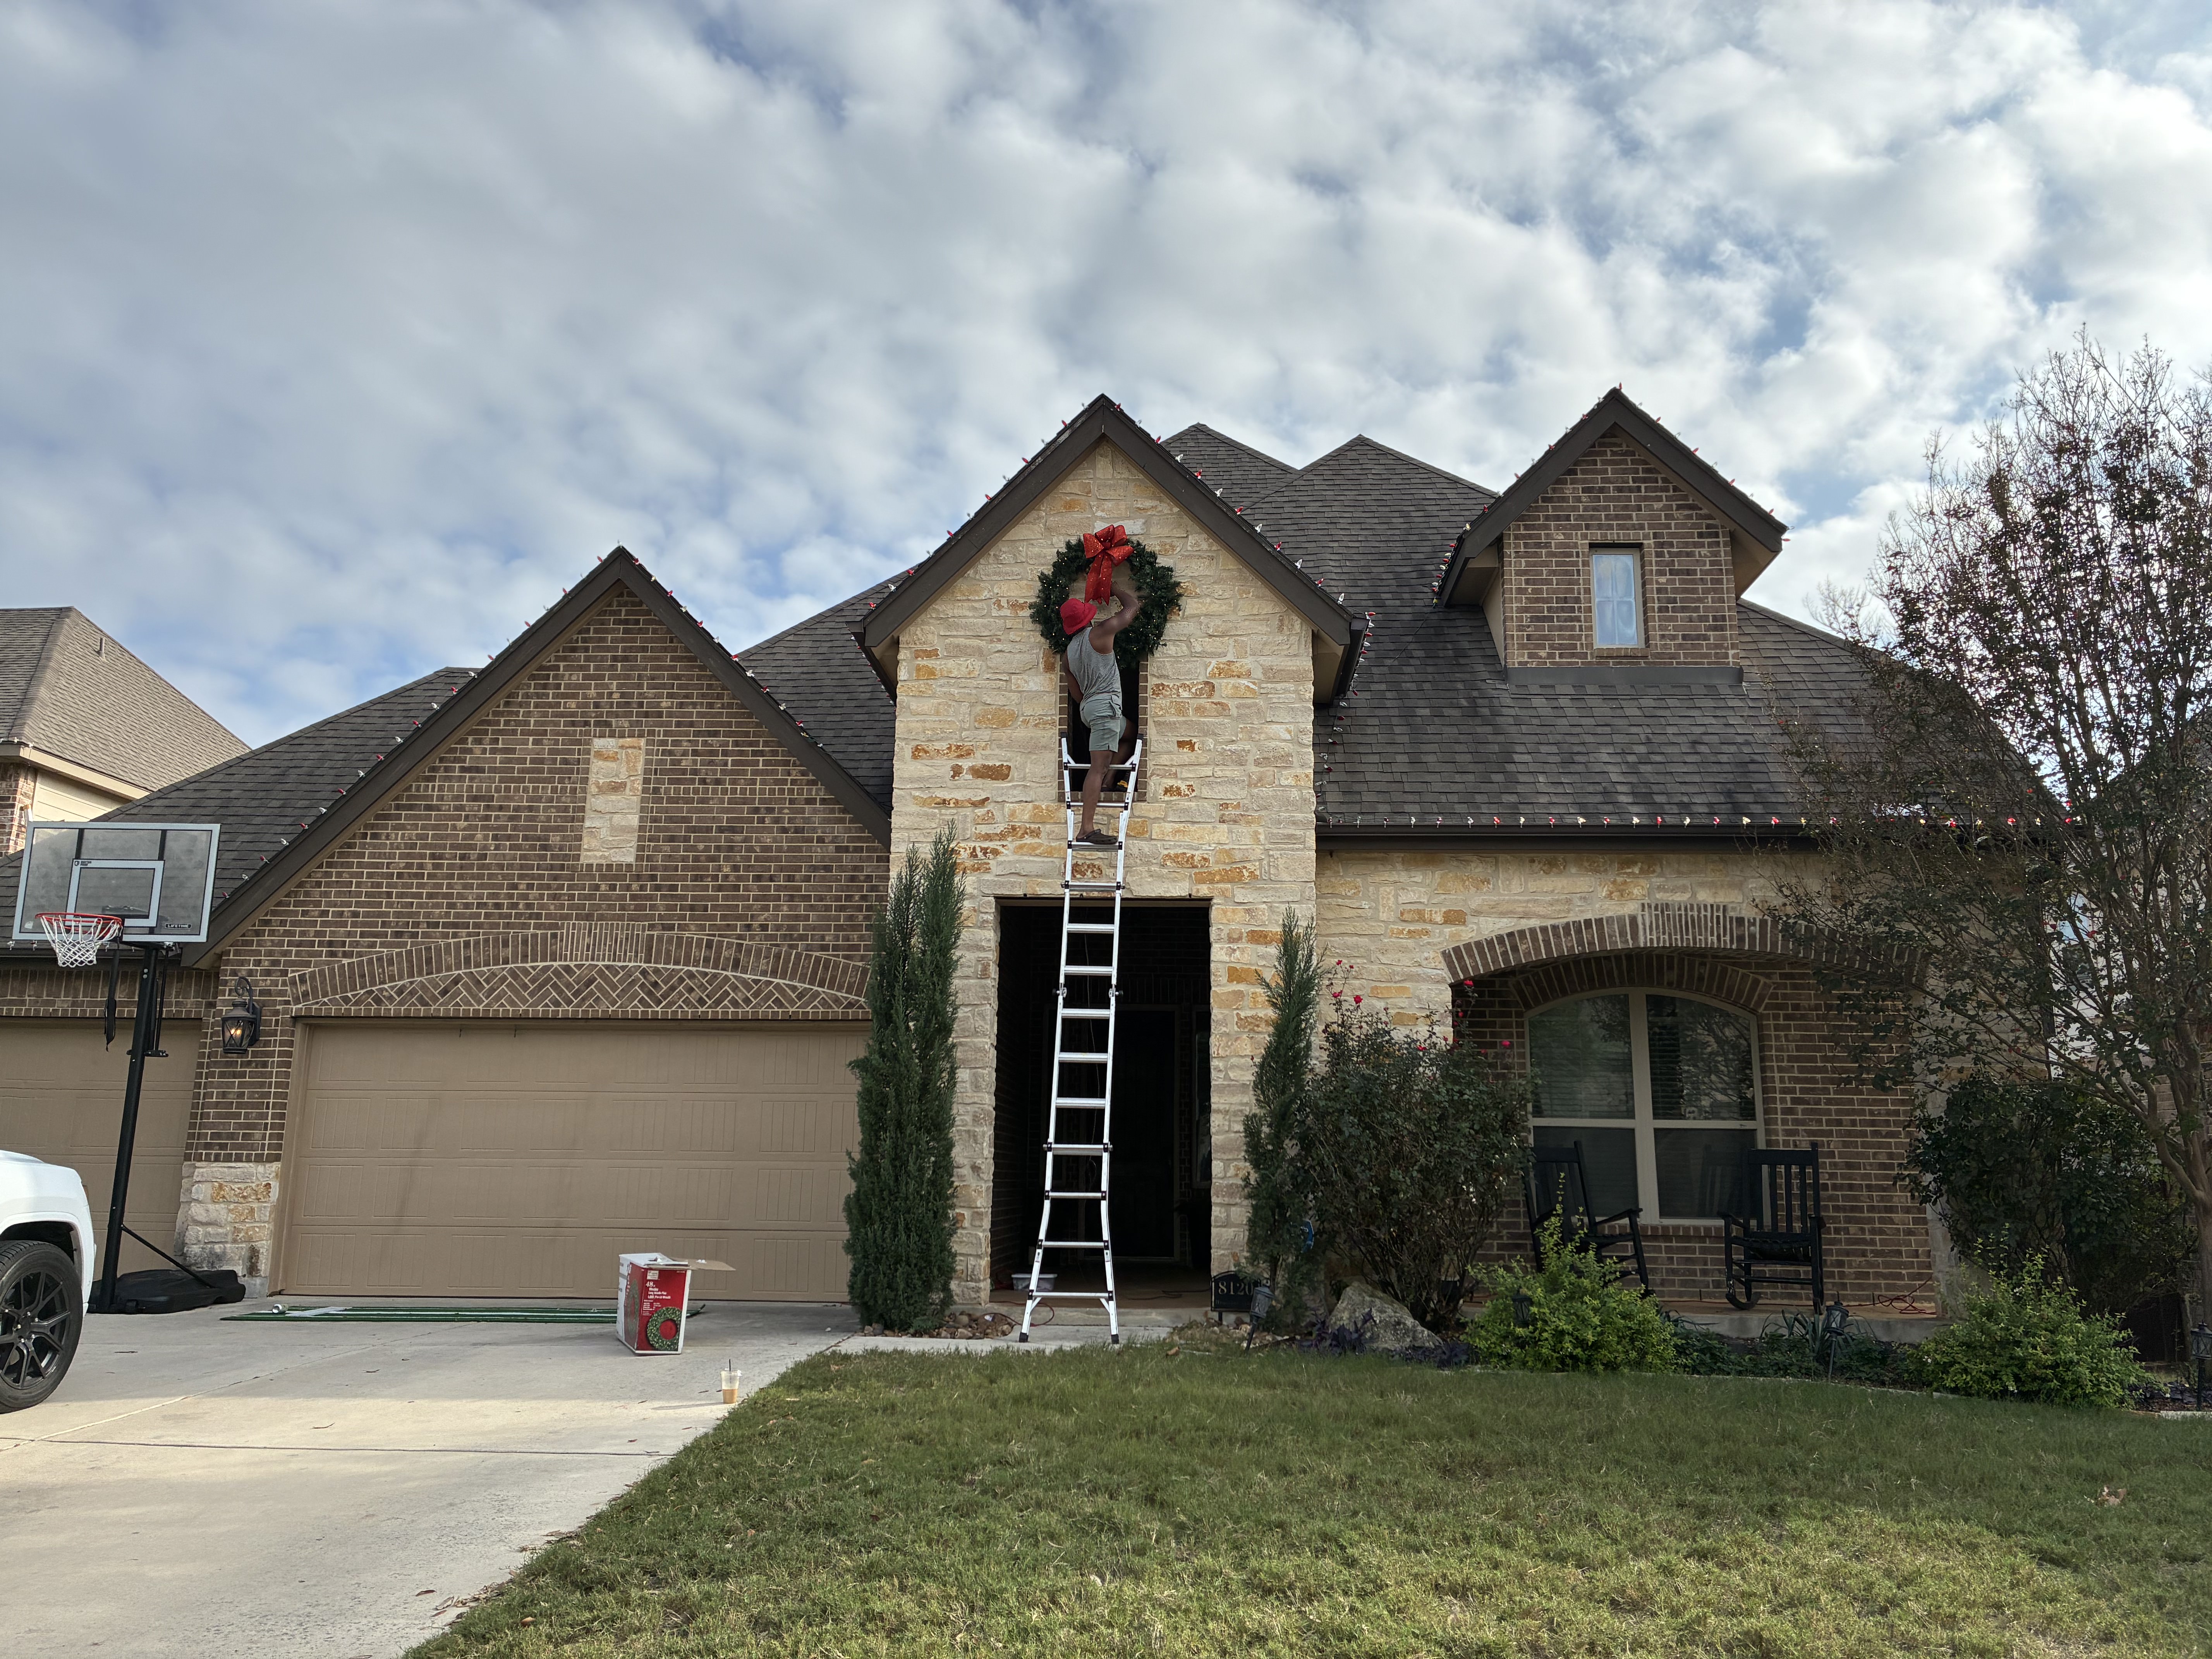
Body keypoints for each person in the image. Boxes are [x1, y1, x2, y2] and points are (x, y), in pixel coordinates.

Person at [1059, 563, 1141, 845]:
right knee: (1097, 767)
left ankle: (1108, 782)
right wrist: (1115, 589)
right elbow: (1132, 608)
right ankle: (1086, 829)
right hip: (1106, 708)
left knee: (1130, 734)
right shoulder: (1101, 633)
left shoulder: (1068, 655)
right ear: (1087, 618)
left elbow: (1077, 695)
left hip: (1092, 710)